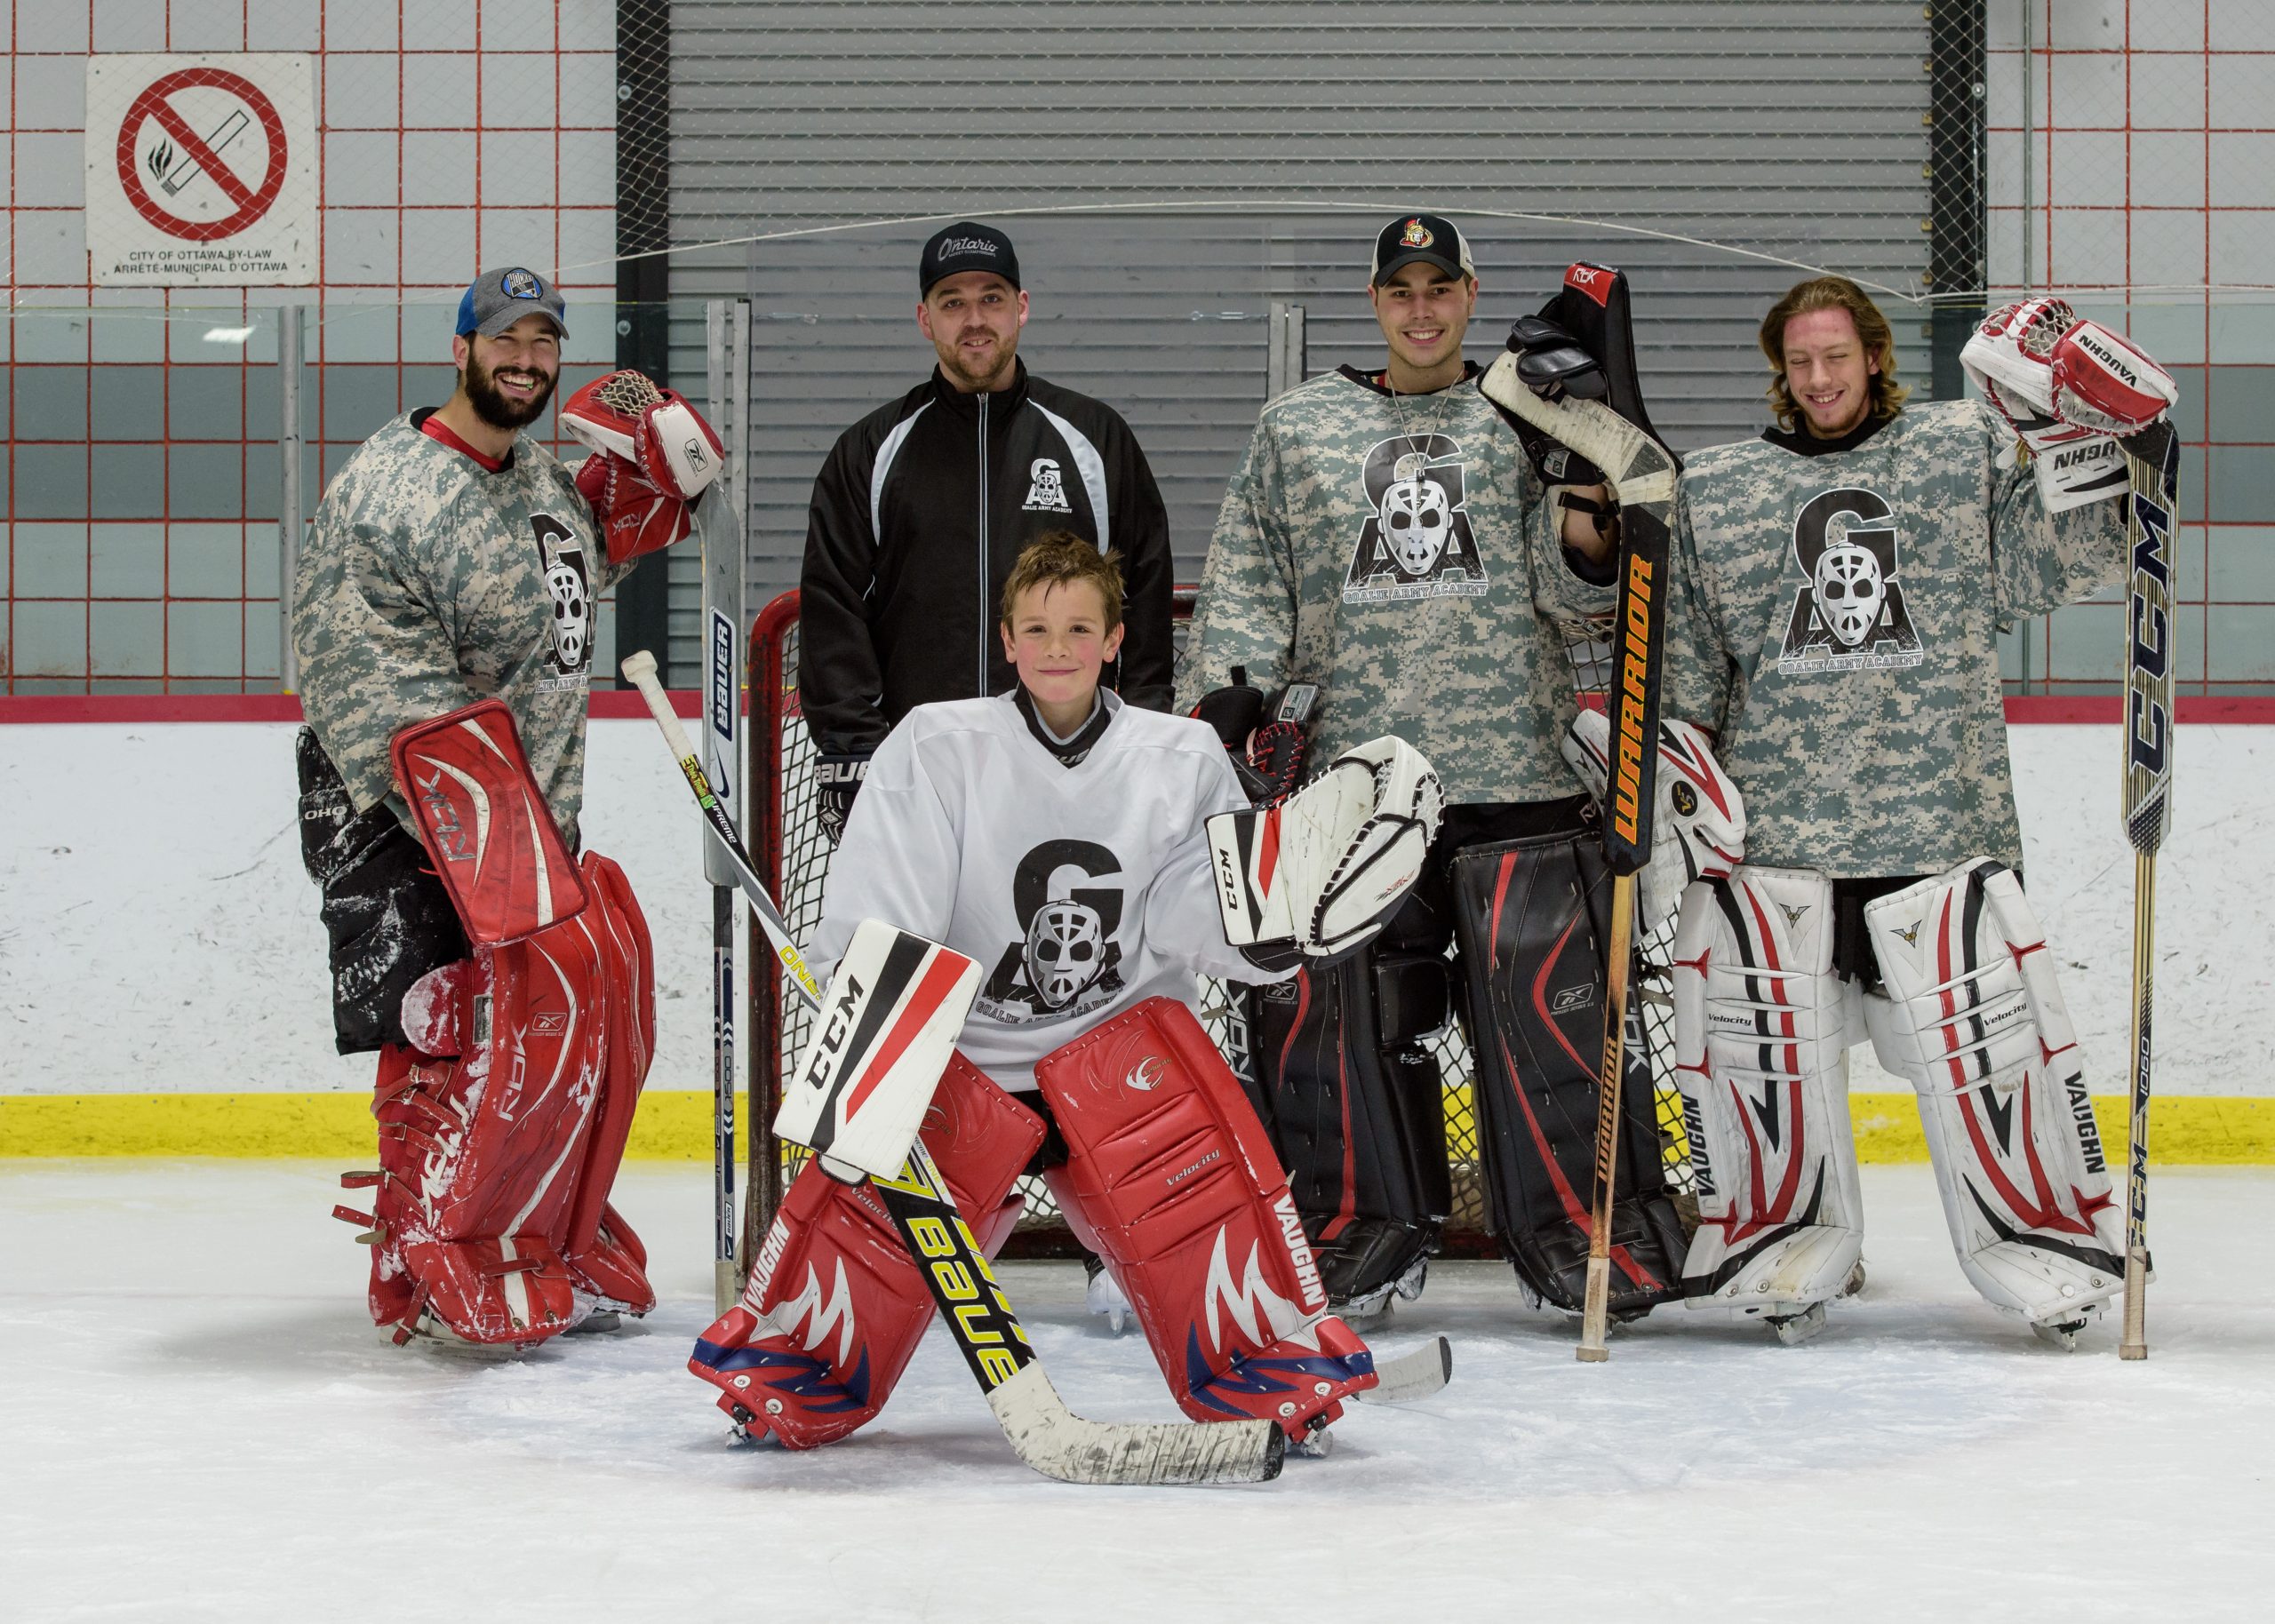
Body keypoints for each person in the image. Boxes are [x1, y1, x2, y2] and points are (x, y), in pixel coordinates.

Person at [689, 534, 1441, 1452]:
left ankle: (1269, 1360)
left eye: (1079, 627)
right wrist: (865, 1043)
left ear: (1116, 637)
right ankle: (792, 1364)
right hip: (964, 1067)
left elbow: (1192, 919)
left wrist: (1272, 914)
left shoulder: (1183, 754)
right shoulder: (938, 744)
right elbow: (887, 907)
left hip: (1122, 1068)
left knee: (1206, 1177)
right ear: (1005, 638)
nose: (1057, 646)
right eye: (1037, 627)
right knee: (863, 1207)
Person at [1175, 214, 1712, 1323]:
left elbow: (1579, 600)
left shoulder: (1529, 415)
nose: (1421, 309)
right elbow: (1246, 582)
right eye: (1400, 290)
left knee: (1550, 1018)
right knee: (1337, 1022)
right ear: (1376, 302)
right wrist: (1232, 703)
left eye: (1441, 288)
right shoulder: (1296, 426)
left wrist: (1589, 507)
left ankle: (1585, 1226)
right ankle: (1357, 1228)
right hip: (1355, 791)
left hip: (1515, 775)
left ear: (1470, 296)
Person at [1659, 275, 2175, 1346]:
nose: (1818, 379)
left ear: (1874, 356)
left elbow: (2044, 566)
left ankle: (2049, 1240)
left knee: (1993, 1055)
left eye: (1836, 357)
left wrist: (2107, 463)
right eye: (1799, 362)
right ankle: (1782, 1240)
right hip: (1780, 847)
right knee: (1772, 1063)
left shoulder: (1952, 453)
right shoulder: (1720, 489)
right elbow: (1695, 663)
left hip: (1940, 824)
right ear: (1779, 370)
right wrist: (1682, 777)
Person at [293, 266, 723, 1349]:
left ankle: (527, 1226)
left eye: (543, 340)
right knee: (442, 1035)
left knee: (541, 1029)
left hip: (525, 815)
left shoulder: (535, 479)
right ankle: (418, 1248)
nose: (526, 358)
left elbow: (572, 584)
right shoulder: (389, 492)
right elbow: (361, 677)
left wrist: (660, 478)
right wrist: (485, 835)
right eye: (505, 338)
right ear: (461, 347)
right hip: (406, 813)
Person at [798, 221, 1177, 842]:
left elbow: (1144, 594)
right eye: (953, 303)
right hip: (923, 777)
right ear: (925, 319)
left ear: (1021, 308)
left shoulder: (1095, 439)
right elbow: (832, 610)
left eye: (992, 299)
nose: (975, 320)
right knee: (924, 943)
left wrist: (1142, 733)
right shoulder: (870, 452)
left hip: (1073, 767)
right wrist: (854, 751)